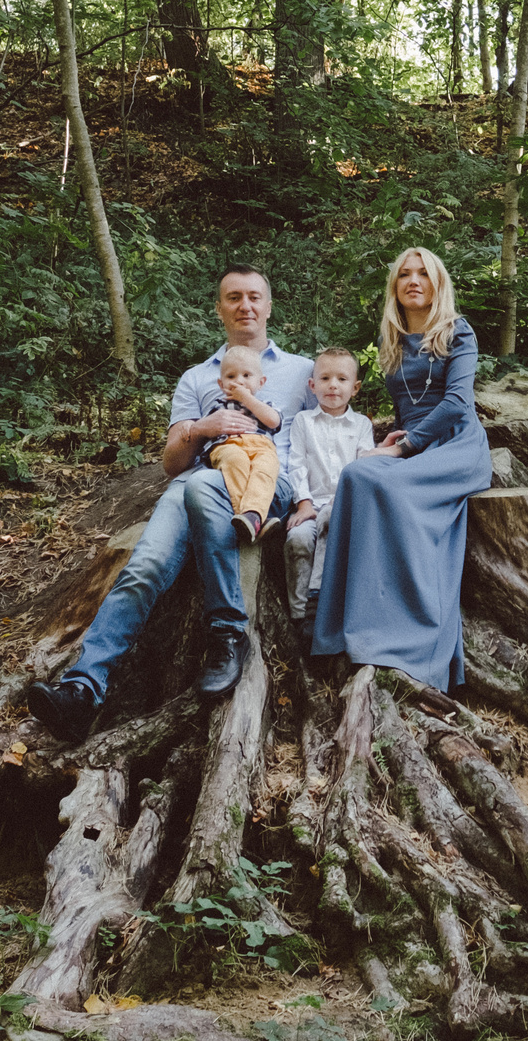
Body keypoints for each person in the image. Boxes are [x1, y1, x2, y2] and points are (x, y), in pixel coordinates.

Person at [26, 266, 316, 739]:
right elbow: (171, 464)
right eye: (234, 297)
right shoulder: (198, 376)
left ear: (269, 304)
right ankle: (82, 689)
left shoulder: (301, 370)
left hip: (267, 481)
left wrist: (311, 501)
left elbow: (328, 428)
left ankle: (229, 633)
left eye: (254, 297)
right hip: (201, 476)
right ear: (219, 307)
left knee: (204, 489)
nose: (245, 306)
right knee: (145, 566)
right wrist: (202, 428)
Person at [308, 247, 492, 691]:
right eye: (405, 274)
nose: (414, 280)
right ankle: (338, 627)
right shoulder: (391, 340)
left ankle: (407, 634)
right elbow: (405, 406)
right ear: (395, 286)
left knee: (370, 479)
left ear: (437, 284)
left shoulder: (457, 332)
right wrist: (394, 440)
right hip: (412, 443)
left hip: (454, 446)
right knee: (357, 477)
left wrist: (406, 446)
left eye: (423, 274)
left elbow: (455, 404)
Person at [281, 347, 371, 626]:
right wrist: (304, 502)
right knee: (297, 540)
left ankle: (319, 597)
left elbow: (363, 468)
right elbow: (296, 464)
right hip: (310, 504)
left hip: (343, 506)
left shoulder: (361, 425)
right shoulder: (303, 421)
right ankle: (300, 614)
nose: (333, 385)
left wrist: (341, 500)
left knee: (331, 520)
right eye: (325, 378)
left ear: (355, 388)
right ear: (312, 385)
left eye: (342, 379)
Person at [198, 344, 285, 545]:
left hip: (261, 446)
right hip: (229, 445)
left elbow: (274, 421)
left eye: (247, 375)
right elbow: (208, 430)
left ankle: (253, 516)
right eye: (231, 377)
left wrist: (247, 398)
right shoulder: (218, 406)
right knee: (236, 462)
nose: (239, 381)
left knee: (266, 468)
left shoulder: (265, 405)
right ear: (221, 383)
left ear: (261, 382)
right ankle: (252, 518)